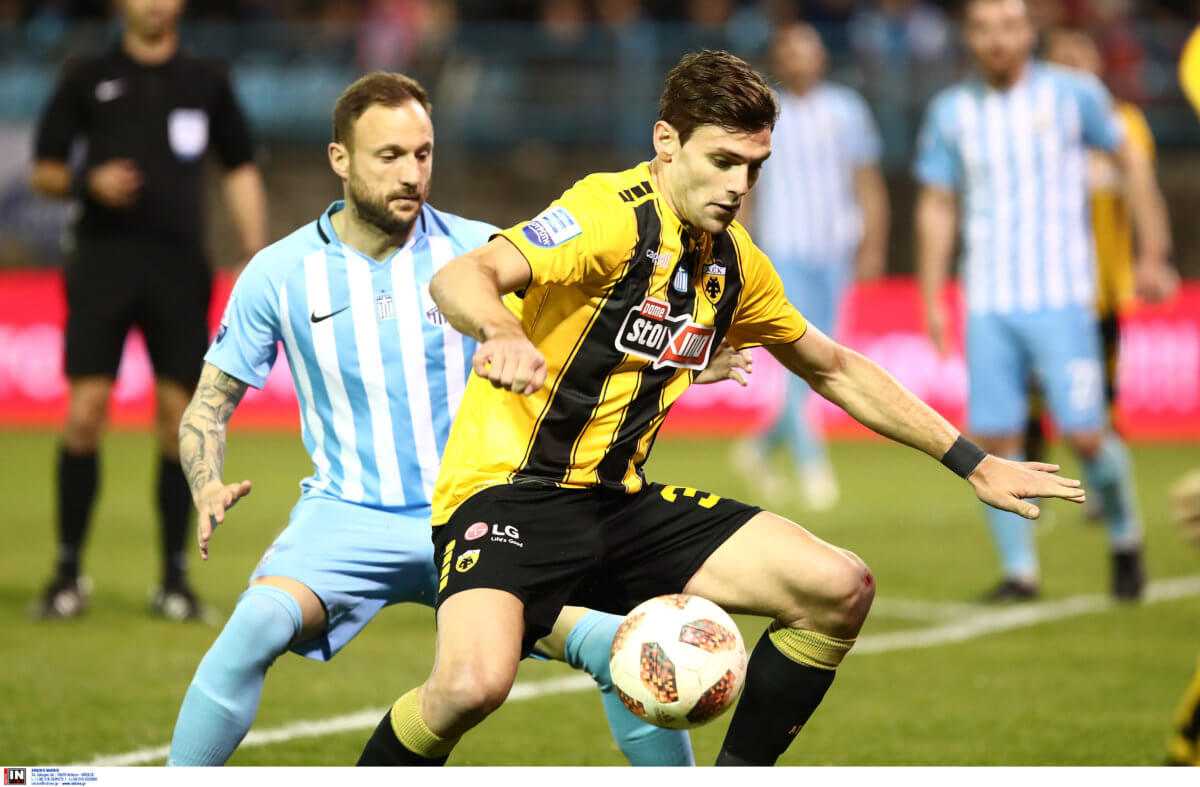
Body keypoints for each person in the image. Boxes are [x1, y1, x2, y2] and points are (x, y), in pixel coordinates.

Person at [356, 49, 1085, 768]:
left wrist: (973, 462)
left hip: (617, 505)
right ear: (666, 142)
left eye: (754, 167)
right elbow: (465, 274)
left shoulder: (733, 261)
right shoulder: (607, 213)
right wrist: (502, 330)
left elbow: (832, 366)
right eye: (723, 161)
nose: (739, 185)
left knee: (838, 587)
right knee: (471, 686)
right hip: (507, 494)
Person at [166, 71, 733, 767]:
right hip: (347, 516)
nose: (412, 173)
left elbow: (593, 336)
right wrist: (205, 480)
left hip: (482, 509)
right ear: (340, 158)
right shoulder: (279, 273)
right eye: (389, 155)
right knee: (254, 622)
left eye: (423, 153)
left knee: (630, 642)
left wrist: (675, 353)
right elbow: (209, 405)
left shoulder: (481, 254)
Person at [913, 0, 1173, 602]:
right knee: (993, 440)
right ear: (969, 37)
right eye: (984, 29)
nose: (997, 40)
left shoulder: (1072, 94)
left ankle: (1125, 537)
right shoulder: (951, 111)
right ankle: (1020, 572)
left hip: (1062, 299)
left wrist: (1153, 250)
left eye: (1009, 27)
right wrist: (931, 295)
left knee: (1086, 435)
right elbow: (937, 204)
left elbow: (1130, 158)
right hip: (988, 302)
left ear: (1029, 32)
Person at [29, 0, 268, 621]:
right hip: (101, 265)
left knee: (176, 420)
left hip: (178, 271)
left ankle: (174, 580)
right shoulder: (86, 75)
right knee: (85, 413)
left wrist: (256, 254)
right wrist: (87, 181)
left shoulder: (206, 81)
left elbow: (239, 167)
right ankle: (66, 574)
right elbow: (44, 171)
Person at [736, 22, 889, 509]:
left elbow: (867, 181)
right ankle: (812, 467)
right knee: (802, 360)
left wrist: (872, 245)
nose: (801, 59)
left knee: (826, 357)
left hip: (834, 252)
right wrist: (738, 242)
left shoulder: (847, 110)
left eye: (808, 50)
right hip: (784, 251)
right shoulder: (762, 114)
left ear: (821, 57)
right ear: (779, 59)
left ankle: (759, 448)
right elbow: (745, 186)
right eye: (791, 51)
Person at [1020, 28, 1177, 482]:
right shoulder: (1025, 121)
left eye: (1080, 56)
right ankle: (1029, 480)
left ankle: (1105, 492)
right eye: (1062, 58)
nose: (1072, 65)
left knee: (1100, 394)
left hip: (1100, 286)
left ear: (1097, 66)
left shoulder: (1122, 123)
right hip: (1036, 284)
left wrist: (1153, 256)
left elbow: (1142, 188)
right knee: (1031, 392)